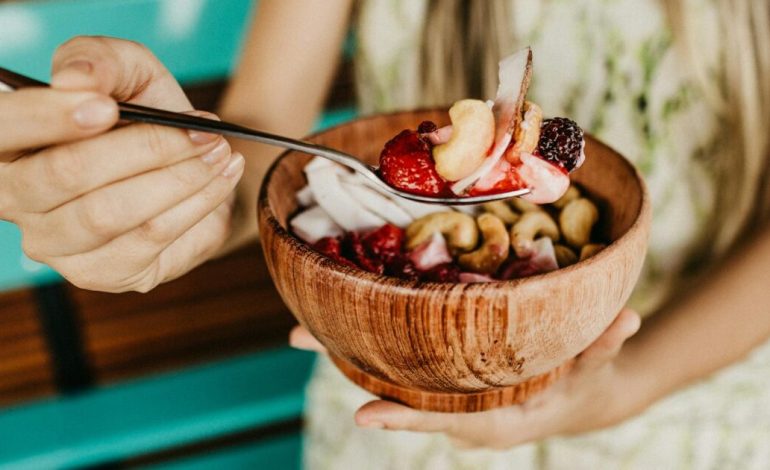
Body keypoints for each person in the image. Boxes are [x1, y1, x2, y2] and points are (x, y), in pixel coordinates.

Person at [1, 0, 769, 468]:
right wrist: (186, 192)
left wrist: (625, 386)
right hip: (400, 378)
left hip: (688, 389)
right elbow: (266, 133)